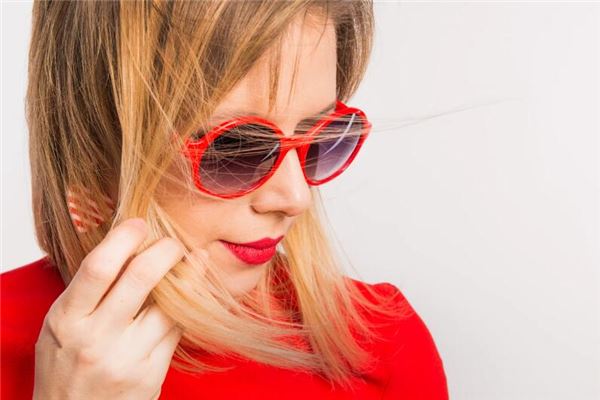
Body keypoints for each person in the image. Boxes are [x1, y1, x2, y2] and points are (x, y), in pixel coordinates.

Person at [1, 1, 449, 399]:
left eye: (320, 136)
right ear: (97, 150)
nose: (295, 198)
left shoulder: (379, 343)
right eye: (236, 148)